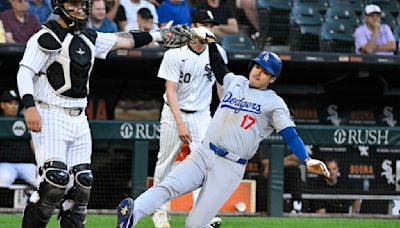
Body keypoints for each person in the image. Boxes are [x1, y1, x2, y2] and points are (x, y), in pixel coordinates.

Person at [116, 26, 330, 228]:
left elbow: (290, 135)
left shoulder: (275, 103)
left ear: (272, 78)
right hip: (204, 153)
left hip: (229, 166)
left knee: (194, 224)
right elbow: (219, 66)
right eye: (257, 66)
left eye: (264, 71)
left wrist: (306, 158)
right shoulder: (235, 82)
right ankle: (131, 215)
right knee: (167, 186)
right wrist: (209, 42)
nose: (257, 72)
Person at [15, 0, 192, 226]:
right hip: (49, 113)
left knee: (82, 184)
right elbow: (24, 73)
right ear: (59, 5)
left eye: (83, 3)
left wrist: (159, 36)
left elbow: (124, 40)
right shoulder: (45, 38)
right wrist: (29, 106)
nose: (80, 8)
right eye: (73, 3)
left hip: (79, 117)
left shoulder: (89, 37)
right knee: (54, 182)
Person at [151, 9, 226, 228]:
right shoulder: (175, 53)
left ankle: (204, 214)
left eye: (211, 25)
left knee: (206, 165)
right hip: (175, 113)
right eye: (205, 25)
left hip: (202, 114)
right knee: (165, 163)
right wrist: (181, 123)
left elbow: (221, 85)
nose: (209, 29)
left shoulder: (218, 52)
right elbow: (170, 90)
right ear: (194, 26)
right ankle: (160, 212)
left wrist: (224, 114)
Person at [0, 89, 38, 189]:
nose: (13, 106)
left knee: (43, 180)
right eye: (10, 103)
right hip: (5, 164)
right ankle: (5, 204)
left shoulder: (26, 120)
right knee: (3, 178)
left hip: (26, 164)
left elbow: (33, 143)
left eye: (16, 103)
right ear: (2, 105)